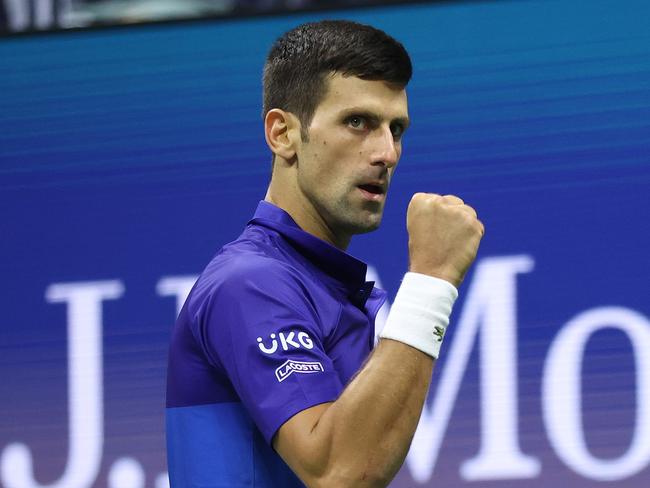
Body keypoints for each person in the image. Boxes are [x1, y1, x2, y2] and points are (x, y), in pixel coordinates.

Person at [166, 20, 484, 487]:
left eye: (396, 129)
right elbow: (340, 474)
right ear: (282, 134)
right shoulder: (249, 282)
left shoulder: (328, 288)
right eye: (358, 122)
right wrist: (431, 281)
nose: (387, 153)